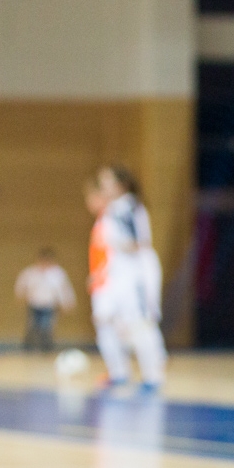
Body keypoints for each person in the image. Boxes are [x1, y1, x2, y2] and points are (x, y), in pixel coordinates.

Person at [86, 166, 166, 390]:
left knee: (140, 322)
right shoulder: (113, 210)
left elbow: (137, 243)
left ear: (121, 184)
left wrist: (120, 250)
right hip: (119, 276)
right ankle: (120, 372)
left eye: (107, 182)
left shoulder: (127, 207)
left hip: (136, 274)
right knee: (107, 320)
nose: (103, 187)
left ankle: (153, 376)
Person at [13, 247, 76, 352]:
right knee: (32, 326)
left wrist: (67, 303)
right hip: (34, 305)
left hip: (49, 306)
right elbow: (21, 285)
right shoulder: (30, 272)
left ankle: (45, 349)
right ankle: (29, 348)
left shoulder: (58, 274)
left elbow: (64, 289)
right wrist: (20, 296)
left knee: (46, 327)